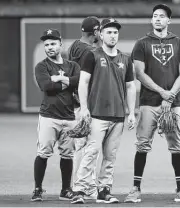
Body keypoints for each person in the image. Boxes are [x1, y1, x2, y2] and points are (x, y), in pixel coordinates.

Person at [124, 4, 180, 203]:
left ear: (168, 21)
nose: (157, 19)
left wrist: (170, 96)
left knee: (176, 146)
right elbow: (139, 73)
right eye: (154, 16)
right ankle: (135, 189)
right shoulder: (142, 43)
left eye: (162, 16)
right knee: (142, 145)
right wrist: (163, 93)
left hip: (173, 104)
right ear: (151, 20)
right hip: (149, 102)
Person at [71, 17, 136, 204]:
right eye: (108, 31)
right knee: (91, 152)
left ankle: (104, 190)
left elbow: (131, 87)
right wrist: (84, 108)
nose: (113, 35)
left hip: (117, 116)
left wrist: (131, 112)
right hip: (97, 114)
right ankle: (79, 189)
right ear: (100, 34)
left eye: (115, 32)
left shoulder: (125, 58)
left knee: (110, 155)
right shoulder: (92, 55)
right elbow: (83, 82)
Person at [31, 29, 80, 202]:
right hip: (48, 116)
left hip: (69, 117)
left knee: (67, 154)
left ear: (60, 44)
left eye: (53, 43)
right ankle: (37, 189)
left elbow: (78, 82)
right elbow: (46, 87)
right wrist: (67, 82)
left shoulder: (73, 66)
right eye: (46, 45)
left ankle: (66, 190)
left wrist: (58, 79)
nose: (50, 47)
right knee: (43, 152)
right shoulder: (42, 66)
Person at [67, 16, 101, 200]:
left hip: (77, 101)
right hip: (84, 104)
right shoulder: (90, 50)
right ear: (95, 32)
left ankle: (81, 185)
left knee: (82, 146)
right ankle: (83, 186)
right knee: (86, 146)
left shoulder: (74, 45)